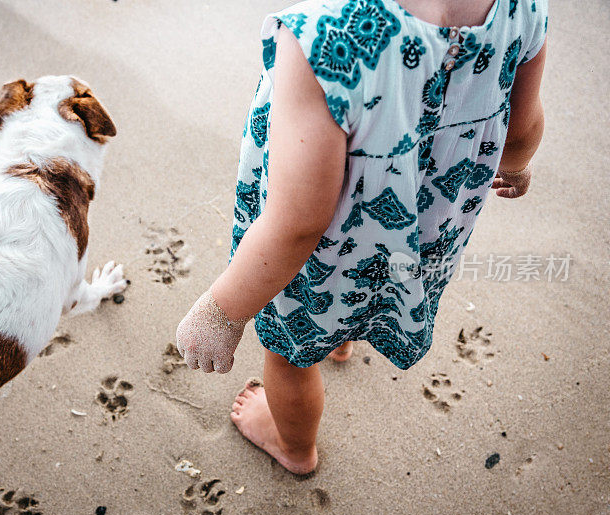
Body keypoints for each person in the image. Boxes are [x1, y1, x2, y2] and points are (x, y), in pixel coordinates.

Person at [176, 0, 548, 474]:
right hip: (423, 234)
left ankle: (293, 447)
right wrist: (515, 166)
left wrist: (222, 312)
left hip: (323, 252)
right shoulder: (521, 7)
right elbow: (522, 125)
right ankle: (342, 337)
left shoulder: (325, 34)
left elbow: (298, 222)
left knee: (290, 355)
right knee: (362, 296)